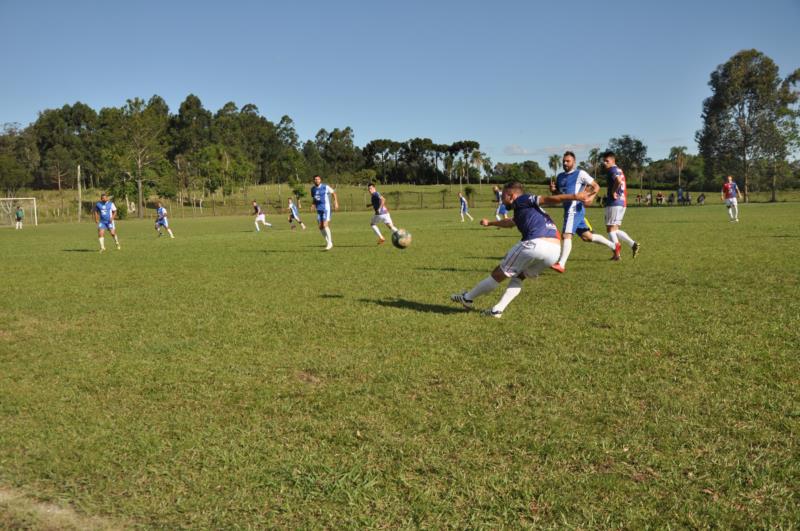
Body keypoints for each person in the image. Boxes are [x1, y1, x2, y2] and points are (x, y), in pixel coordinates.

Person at [450, 182, 589, 318]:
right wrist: (491, 223)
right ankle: (497, 310)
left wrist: (575, 196)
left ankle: (467, 298)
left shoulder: (523, 199)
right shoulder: (525, 209)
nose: (502, 200)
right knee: (519, 276)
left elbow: (547, 199)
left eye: (503, 196)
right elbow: (510, 222)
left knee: (498, 274)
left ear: (511, 196)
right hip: (554, 250)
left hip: (536, 243)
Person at [549, 151, 616, 273]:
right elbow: (559, 195)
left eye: (568, 161)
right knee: (587, 237)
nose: (565, 163)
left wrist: (591, 197)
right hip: (568, 209)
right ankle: (614, 246)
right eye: (564, 161)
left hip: (574, 209)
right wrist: (553, 191)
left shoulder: (580, 174)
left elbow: (596, 186)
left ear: (574, 162)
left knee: (566, 235)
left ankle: (561, 264)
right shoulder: (560, 177)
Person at [601, 151, 641, 260]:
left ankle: (617, 254)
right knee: (615, 229)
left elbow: (618, 181)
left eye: (607, 161)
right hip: (622, 203)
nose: (604, 163)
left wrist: (613, 191)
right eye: (604, 161)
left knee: (610, 230)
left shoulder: (612, 170)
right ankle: (633, 244)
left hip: (614, 203)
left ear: (613, 161)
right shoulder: (619, 170)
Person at [311, 175, 338, 250]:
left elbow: (333, 193)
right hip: (319, 209)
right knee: (320, 227)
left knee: (325, 225)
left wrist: (335, 202)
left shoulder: (325, 187)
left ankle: (329, 243)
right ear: (314, 180)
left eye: (318, 179)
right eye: (315, 179)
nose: (317, 180)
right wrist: (313, 205)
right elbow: (314, 198)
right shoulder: (313, 189)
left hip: (326, 208)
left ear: (320, 180)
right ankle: (329, 242)